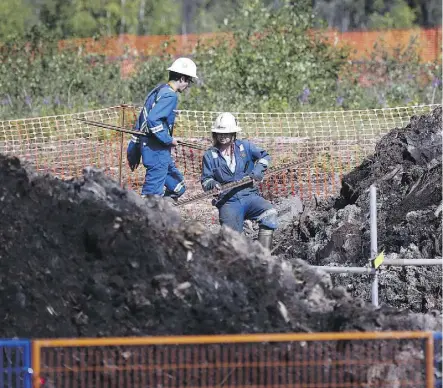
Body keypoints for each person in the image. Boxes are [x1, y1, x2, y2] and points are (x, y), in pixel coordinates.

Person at [200, 112, 278, 250]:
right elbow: (206, 180)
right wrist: (213, 184)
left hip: (249, 196)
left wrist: (259, 169)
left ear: (233, 134)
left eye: (227, 133)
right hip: (228, 202)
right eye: (219, 133)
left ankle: (264, 259)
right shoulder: (210, 155)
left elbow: (265, 156)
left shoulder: (245, 147)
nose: (223, 136)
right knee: (232, 241)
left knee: (270, 214)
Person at [127, 57, 198, 200]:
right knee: (151, 196)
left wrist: (134, 146)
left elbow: (142, 120)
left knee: (178, 186)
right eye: (188, 82)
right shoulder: (170, 96)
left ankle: (165, 211)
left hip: (156, 150)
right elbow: (153, 120)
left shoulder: (159, 90)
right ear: (183, 78)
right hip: (156, 151)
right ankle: (148, 218)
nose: (187, 86)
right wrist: (168, 139)